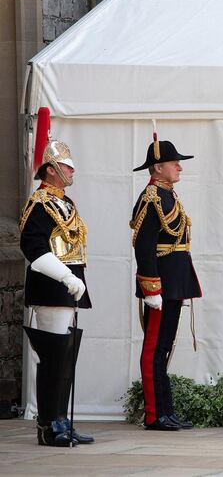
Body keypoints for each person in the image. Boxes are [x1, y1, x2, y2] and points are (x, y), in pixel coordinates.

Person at [20, 108, 93, 447]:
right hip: (52, 286)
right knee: (53, 357)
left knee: (65, 357)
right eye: (66, 166)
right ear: (50, 170)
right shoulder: (39, 205)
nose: (71, 170)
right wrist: (66, 277)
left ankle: (61, 418)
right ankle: (49, 426)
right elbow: (33, 249)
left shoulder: (66, 203)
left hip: (68, 286)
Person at [131, 133, 202, 430]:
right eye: (174, 163)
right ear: (158, 167)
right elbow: (143, 246)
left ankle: (165, 410)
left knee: (165, 347)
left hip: (174, 281)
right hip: (160, 285)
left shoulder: (167, 194)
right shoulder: (151, 198)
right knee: (154, 348)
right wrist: (151, 288)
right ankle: (154, 413)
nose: (179, 168)